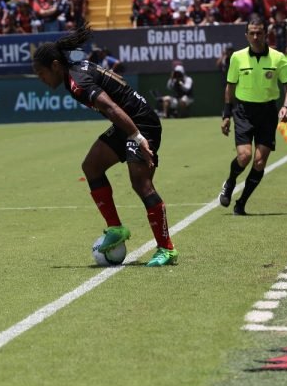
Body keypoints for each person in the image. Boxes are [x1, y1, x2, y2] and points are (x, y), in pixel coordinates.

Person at [31, 24, 178, 267]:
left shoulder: (78, 82)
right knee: (92, 166)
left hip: (141, 124)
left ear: (55, 66)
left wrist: (138, 137)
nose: (41, 80)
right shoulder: (73, 72)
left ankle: (167, 249)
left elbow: (111, 108)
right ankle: (115, 228)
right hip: (127, 123)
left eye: (41, 74)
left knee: (141, 183)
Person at [219, 18, 287, 215]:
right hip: (243, 112)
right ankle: (230, 181)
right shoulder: (237, 57)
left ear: (266, 34)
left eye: (259, 32)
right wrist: (226, 115)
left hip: (268, 113)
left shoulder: (279, 58)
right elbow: (230, 86)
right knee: (244, 157)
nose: (255, 36)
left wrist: (286, 107)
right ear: (246, 35)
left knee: (260, 162)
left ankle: (241, 202)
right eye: (251, 33)